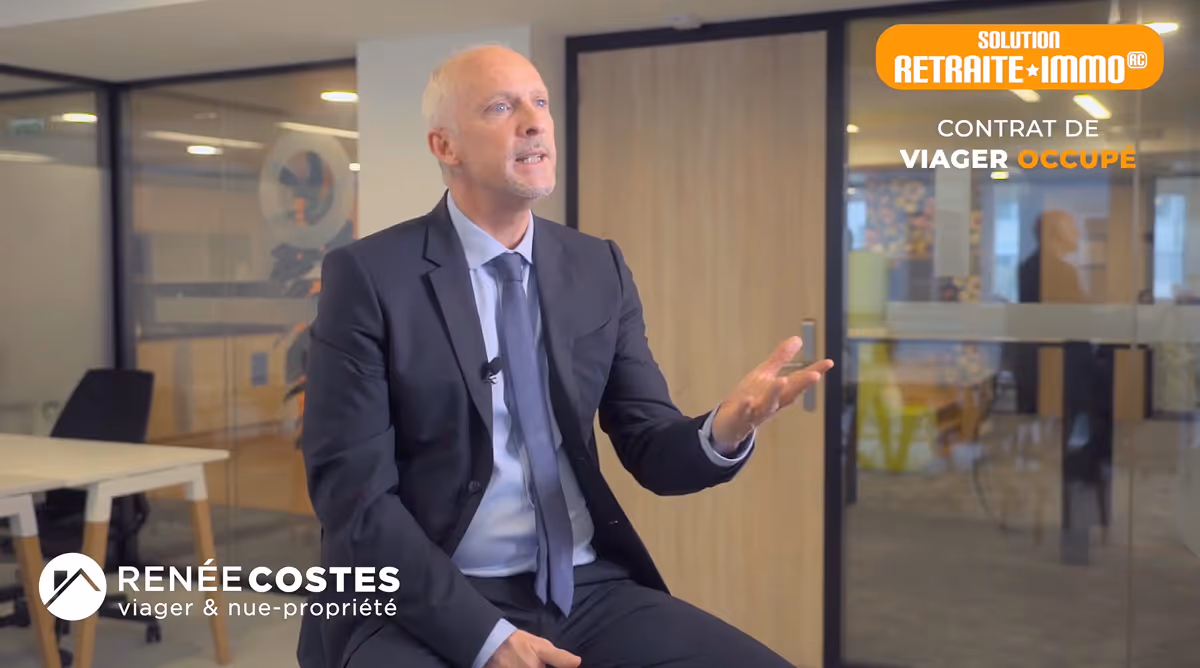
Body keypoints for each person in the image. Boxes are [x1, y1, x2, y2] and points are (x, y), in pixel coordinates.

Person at [297, 44, 833, 668]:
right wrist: (486, 639)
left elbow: (650, 446)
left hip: (583, 587)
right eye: (501, 106)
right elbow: (353, 499)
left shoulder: (596, 266)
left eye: (540, 103)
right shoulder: (369, 276)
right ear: (446, 147)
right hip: (425, 594)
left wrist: (725, 428)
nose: (533, 121)